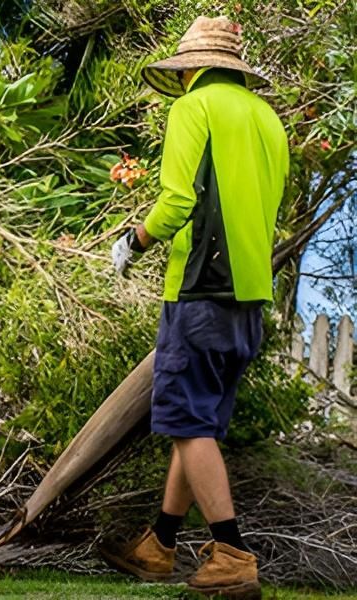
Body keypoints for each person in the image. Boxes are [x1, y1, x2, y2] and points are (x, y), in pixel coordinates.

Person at [104, 16, 288, 599]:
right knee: (200, 422)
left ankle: (231, 554)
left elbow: (177, 199)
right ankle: (158, 546)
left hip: (202, 287)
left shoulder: (192, 108)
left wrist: (134, 241)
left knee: (185, 420)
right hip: (251, 293)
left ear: (186, 70)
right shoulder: (268, 119)